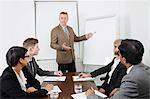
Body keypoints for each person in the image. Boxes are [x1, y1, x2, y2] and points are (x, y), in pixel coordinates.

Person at [86, 39, 150, 99]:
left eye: (119, 54)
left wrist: (91, 95)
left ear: (124, 60)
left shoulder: (131, 79)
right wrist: (119, 89)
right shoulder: (146, 69)